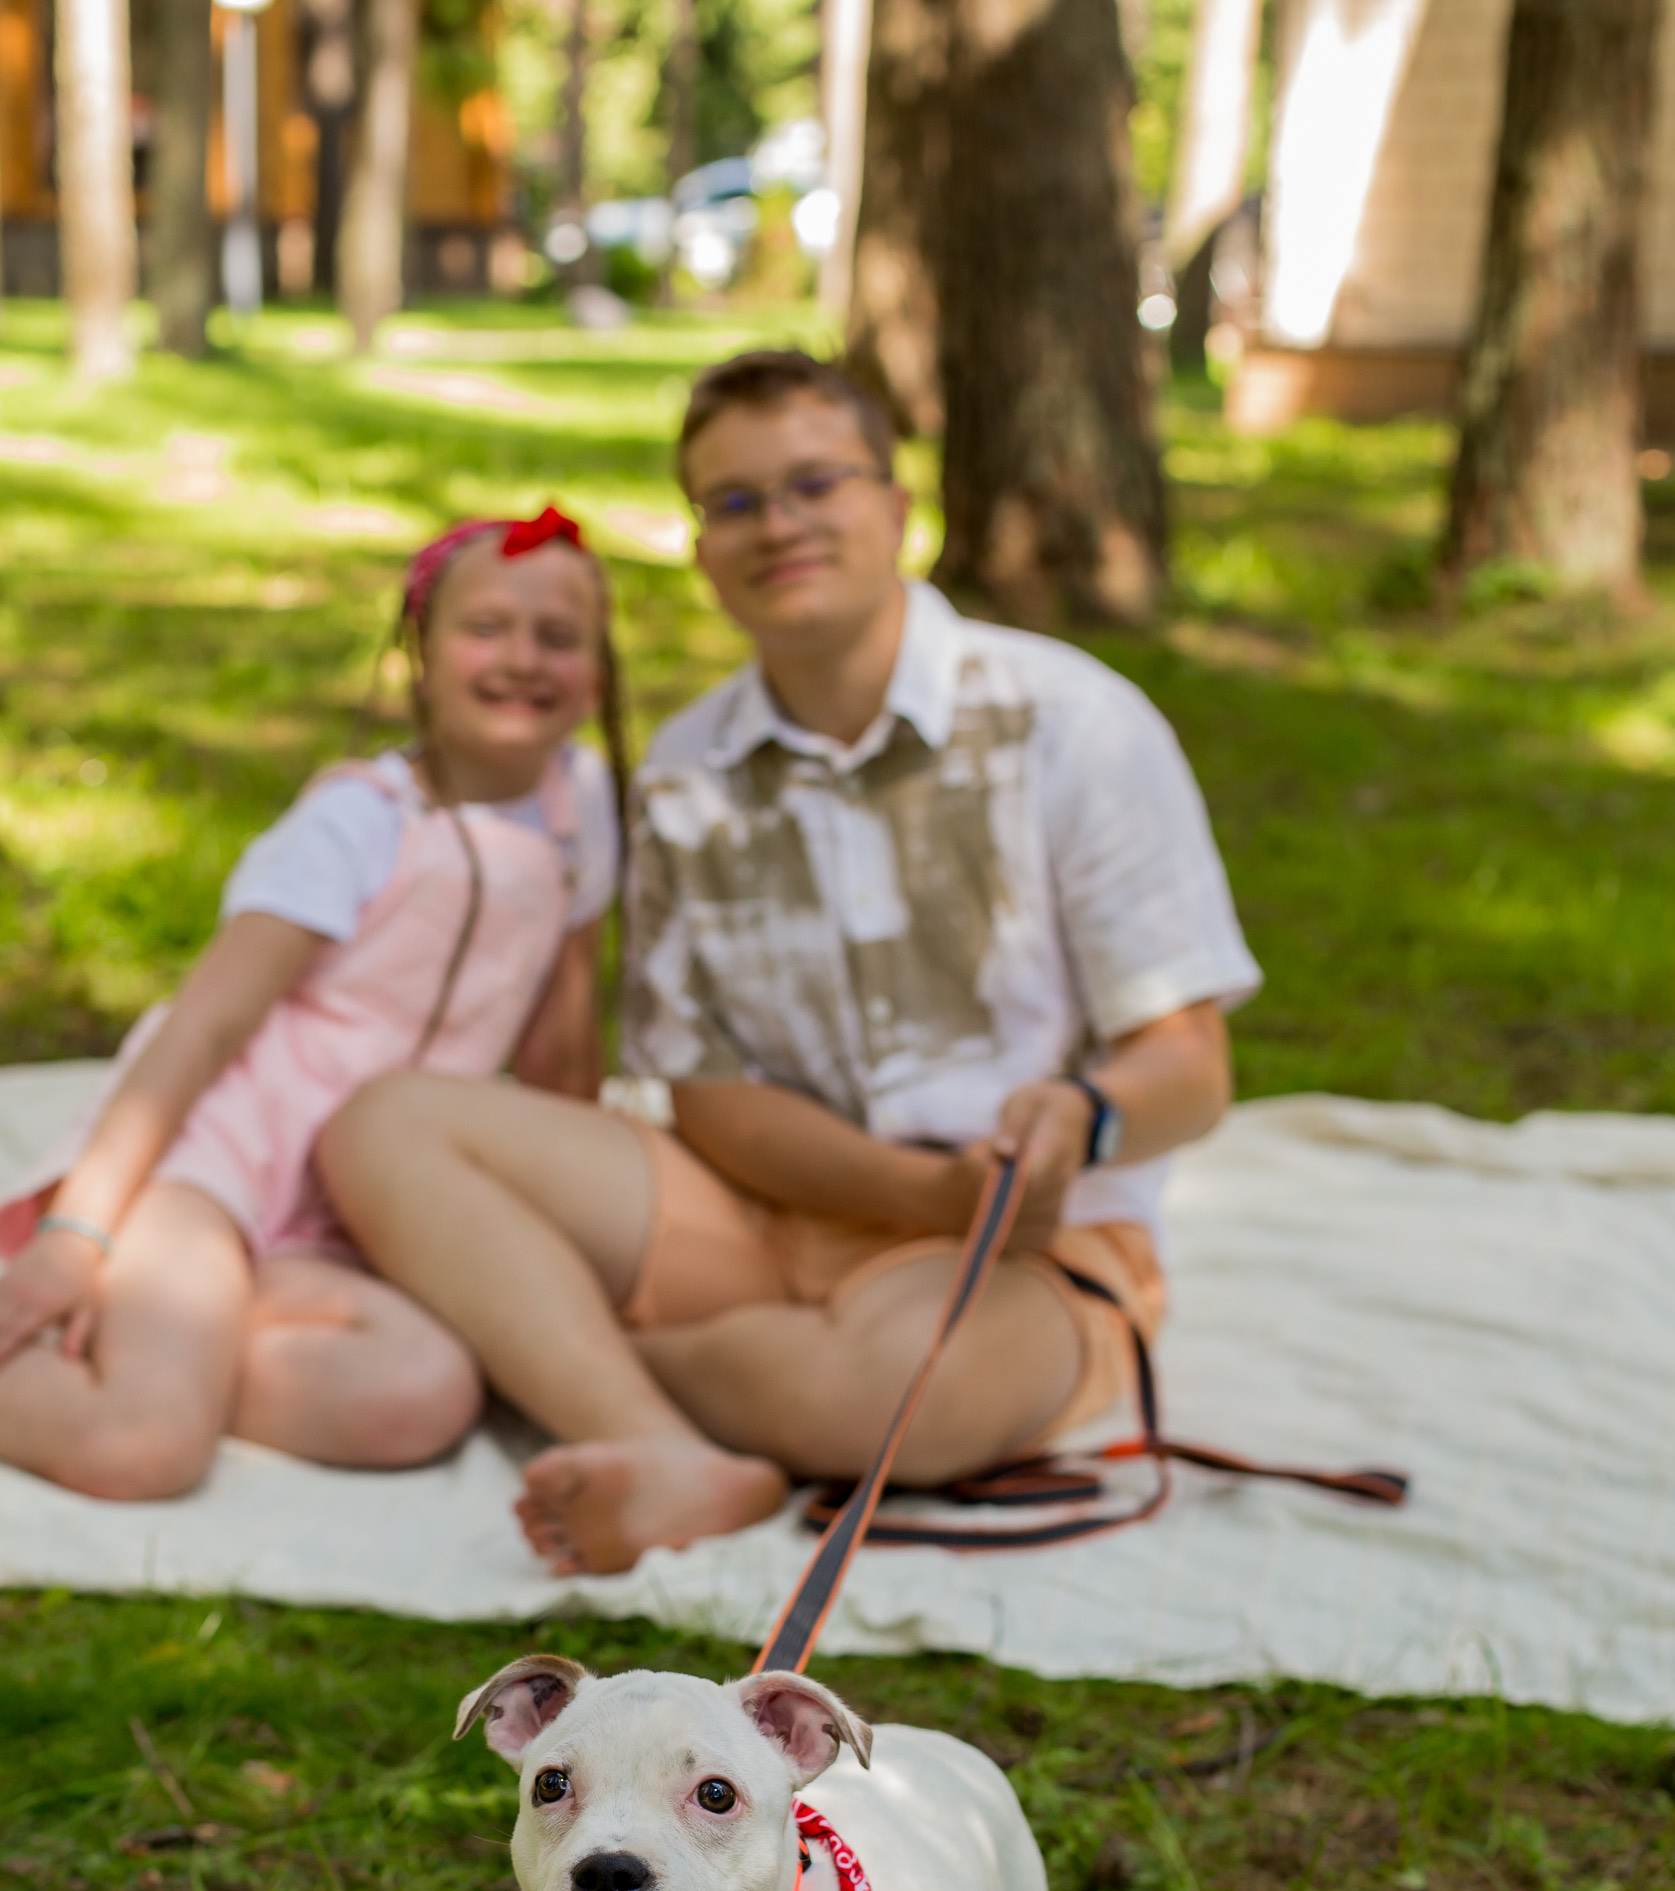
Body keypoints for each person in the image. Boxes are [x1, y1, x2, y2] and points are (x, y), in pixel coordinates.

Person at [330, 349, 1260, 1576]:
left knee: (897, 1405)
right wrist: (895, 1187)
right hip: (756, 1212)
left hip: (1021, 1243)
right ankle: (665, 1444)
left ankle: (548, 1352)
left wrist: (1082, 1115)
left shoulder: (1073, 720)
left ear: (896, 507)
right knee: (385, 1128)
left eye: (814, 484)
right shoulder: (682, 769)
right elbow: (707, 1098)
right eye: (734, 502)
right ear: (704, 552)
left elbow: (1188, 1066)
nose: (779, 525)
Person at [0, 509, 625, 1500]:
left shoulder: (581, 806)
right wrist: (74, 1240)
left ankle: (169, 1340)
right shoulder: (358, 821)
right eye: (485, 630)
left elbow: (559, 1046)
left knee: (416, 1394)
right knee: (141, 1447)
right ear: (417, 655)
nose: (522, 659)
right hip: (215, 1160)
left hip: (365, 1204)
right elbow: (204, 1023)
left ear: (596, 672)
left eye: (557, 639)